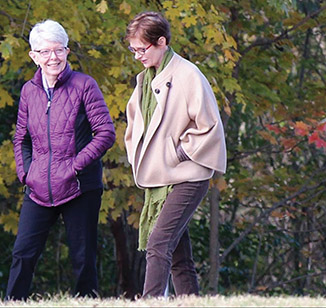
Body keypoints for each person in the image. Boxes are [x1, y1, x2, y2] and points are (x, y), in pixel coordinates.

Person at [8, 19, 115, 300]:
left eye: (59, 50)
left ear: (67, 51)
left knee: (83, 257)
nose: (53, 57)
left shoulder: (85, 85)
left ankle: (87, 304)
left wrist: (74, 167)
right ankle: (11, 303)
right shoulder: (28, 91)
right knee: (23, 253)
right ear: (34, 56)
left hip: (80, 186)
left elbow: (105, 133)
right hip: (38, 186)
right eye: (45, 52)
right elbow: (21, 139)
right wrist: (26, 174)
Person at [124, 11, 227, 297]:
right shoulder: (145, 79)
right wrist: (136, 153)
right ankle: (190, 302)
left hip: (188, 175)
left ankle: (150, 301)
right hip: (161, 176)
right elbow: (135, 124)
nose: (137, 56)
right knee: (178, 256)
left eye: (141, 49)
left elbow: (210, 126)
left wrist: (179, 152)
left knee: (159, 243)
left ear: (161, 42)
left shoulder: (188, 74)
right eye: (133, 50)